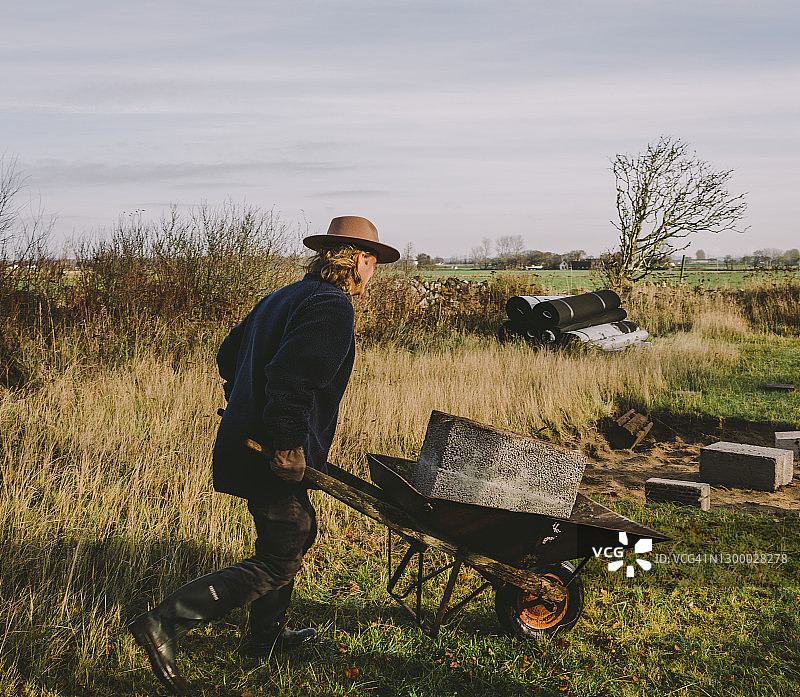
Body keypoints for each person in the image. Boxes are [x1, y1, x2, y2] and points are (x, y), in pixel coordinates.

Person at [128, 216, 399, 695]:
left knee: (292, 533)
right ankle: (165, 623)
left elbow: (227, 354)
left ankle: (264, 638)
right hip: (273, 451)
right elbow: (293, 379)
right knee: (281, 552)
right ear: (359, 259)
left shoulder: (282, 297)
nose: (372, 270)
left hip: (251, 441)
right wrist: (289, 443)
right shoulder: (331, 305)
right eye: (373, 260)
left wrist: (242, 401)